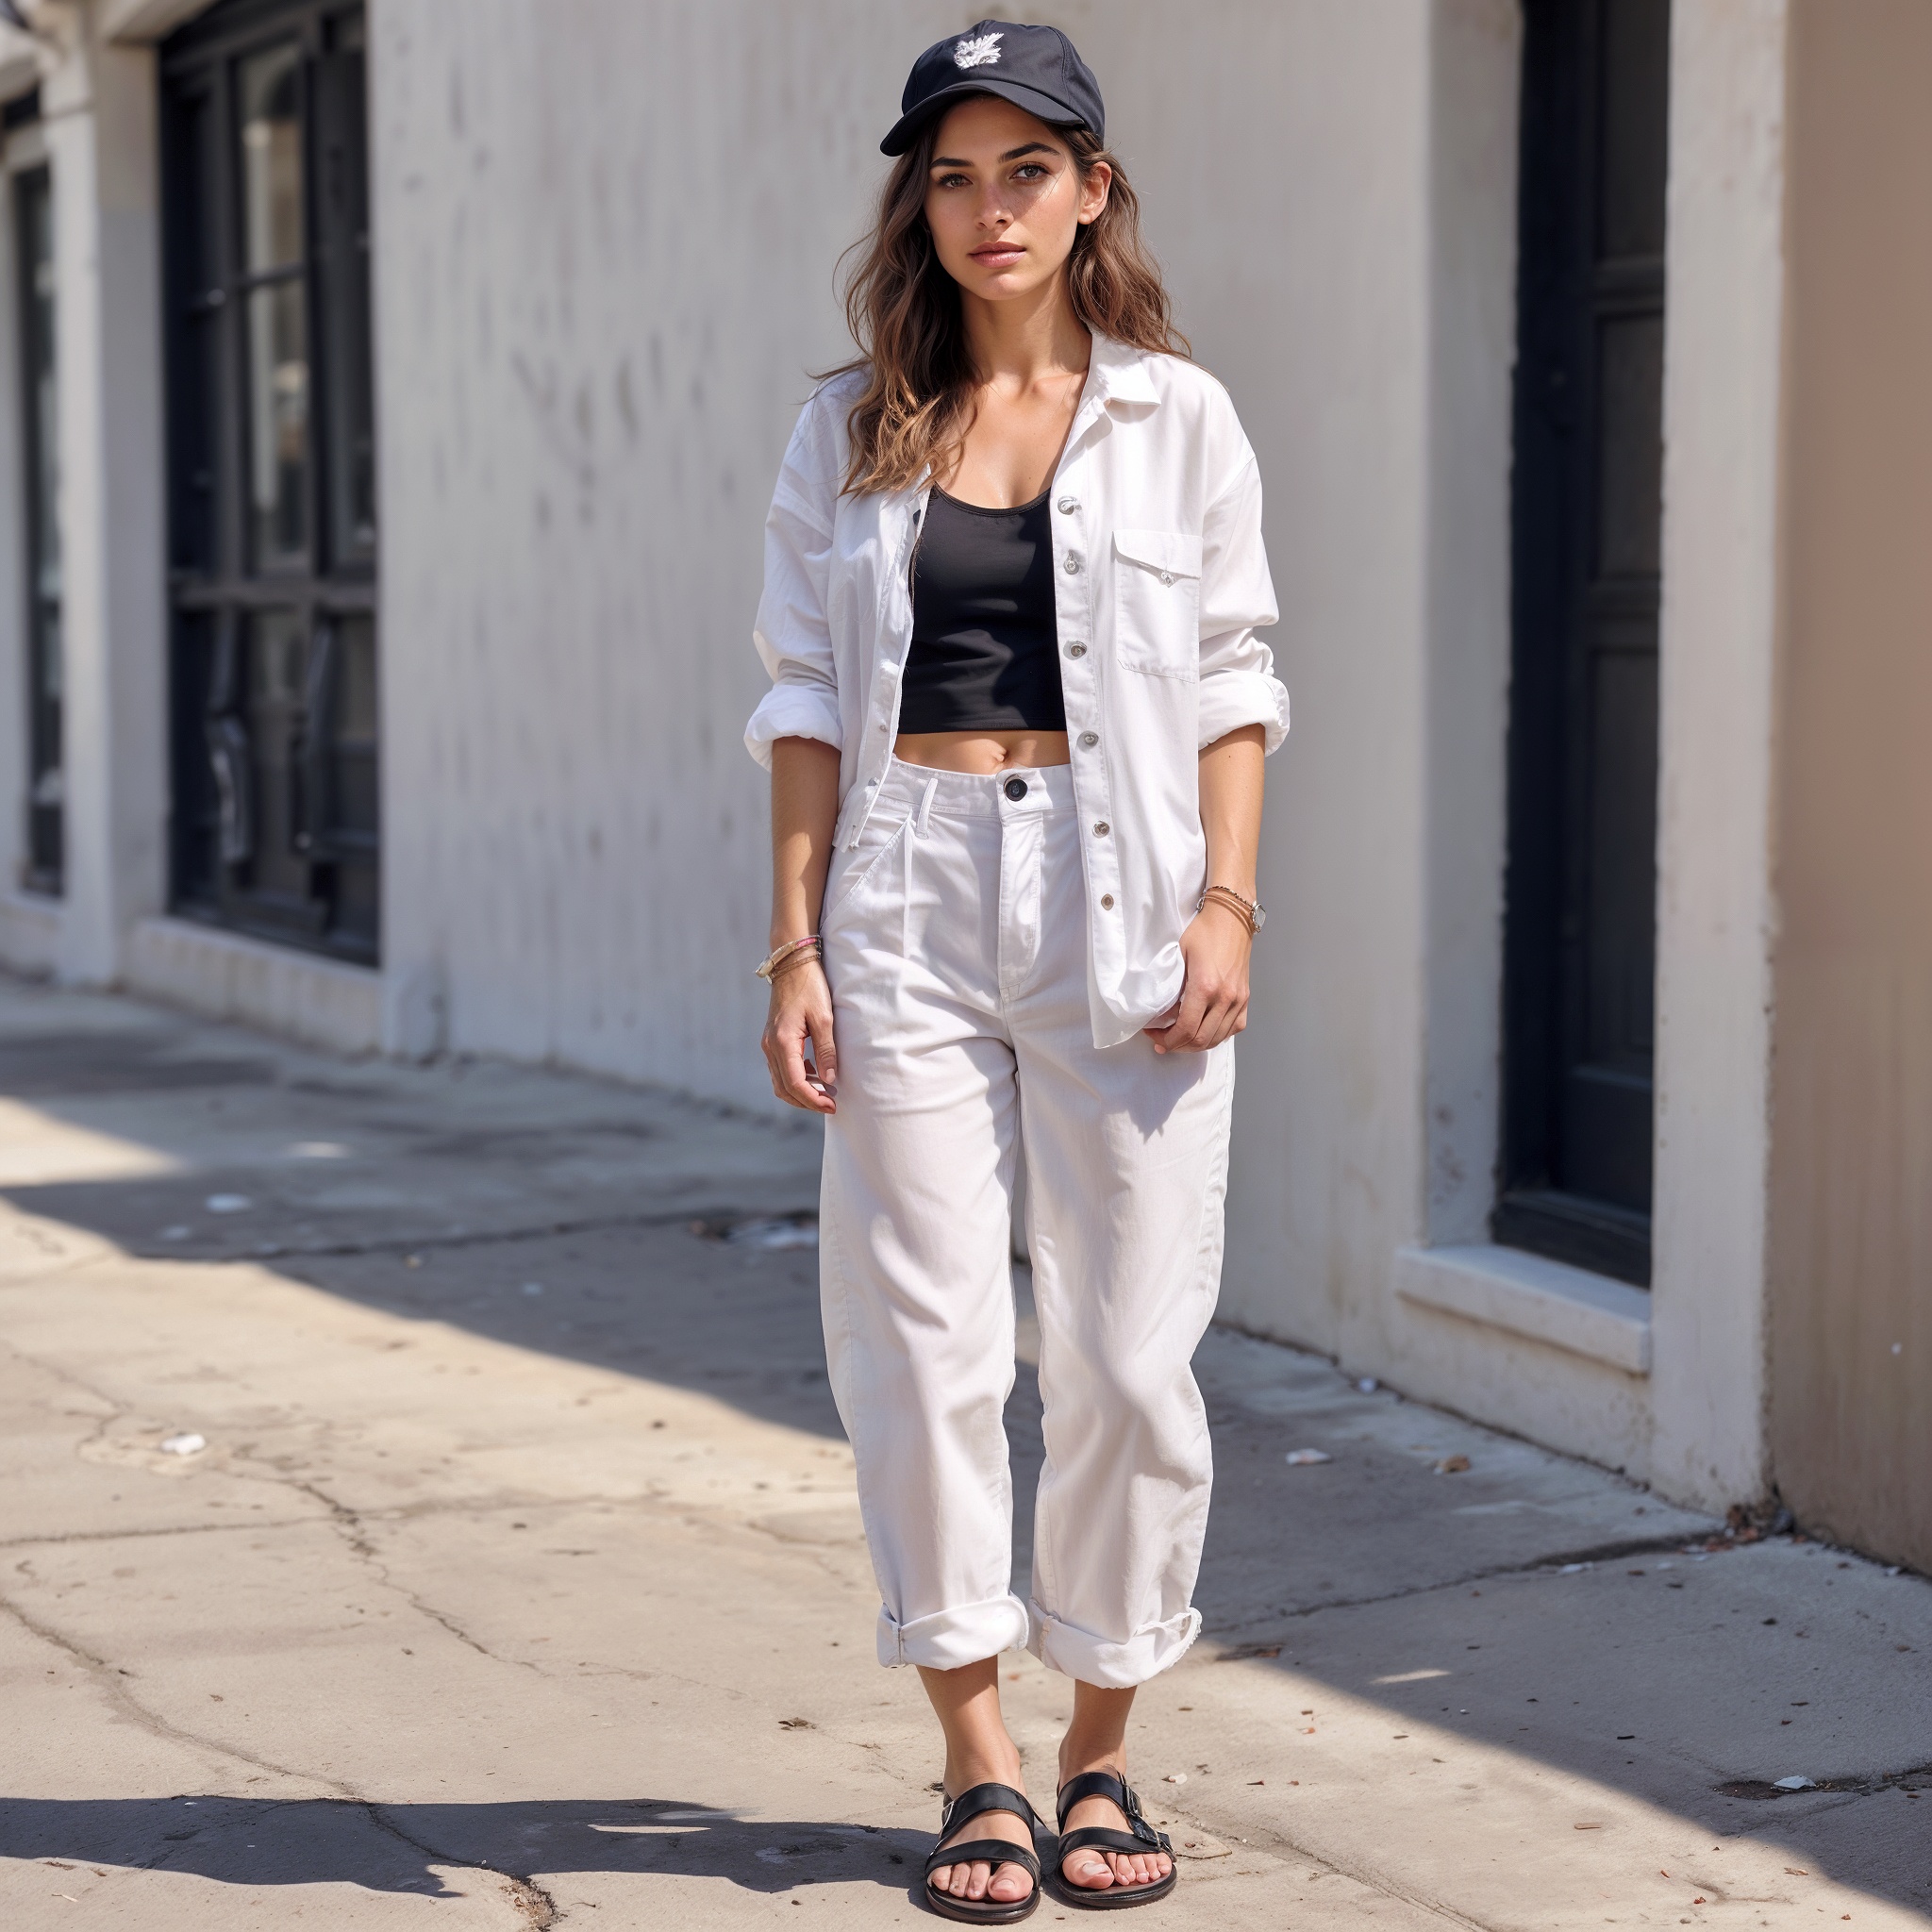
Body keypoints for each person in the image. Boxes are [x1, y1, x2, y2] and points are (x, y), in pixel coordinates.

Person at [745, 19, 1284, 1921]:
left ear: (1092, 188)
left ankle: (1101, 1742)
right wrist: (796, 935)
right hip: (900, 894)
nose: (990, 208)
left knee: (1133, 1356)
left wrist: (1227, 905)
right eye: (954, 174)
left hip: (1119, 897)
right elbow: (804, 697)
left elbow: (1233, 676)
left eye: (1026, 169)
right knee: (921, 1343)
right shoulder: (845, 424)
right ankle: (977, 1756)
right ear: (923, 199)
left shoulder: (1177, 418)